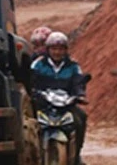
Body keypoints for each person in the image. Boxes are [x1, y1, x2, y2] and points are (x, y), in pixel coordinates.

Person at [31, 31, 89, 165]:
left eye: (60, 49)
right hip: (43, 103)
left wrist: (79, 94)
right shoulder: (38, 64)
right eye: (54, 49)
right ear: (48, 49)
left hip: (66, 104)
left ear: (66, 50)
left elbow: (78, 82)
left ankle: (76, 156)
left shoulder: (73, 66)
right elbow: (31, 81)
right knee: (29, 125)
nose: (57, 52)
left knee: (81, 118)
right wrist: (34, 94)